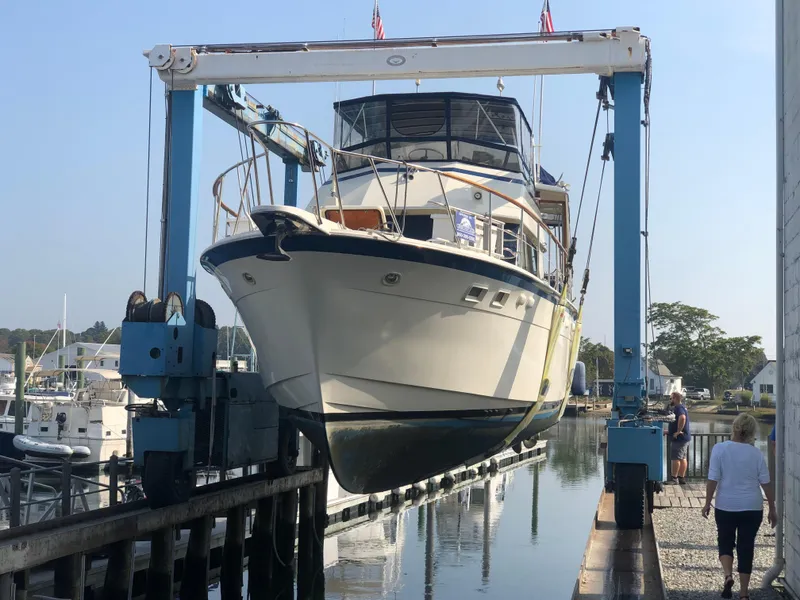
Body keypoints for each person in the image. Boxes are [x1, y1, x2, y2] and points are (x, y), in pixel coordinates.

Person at [701, 413, 777, 599]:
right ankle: (744, 594)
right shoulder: (756, 454)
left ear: (734, 427)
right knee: (746, 547)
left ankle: (728, 576)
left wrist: (707, 502)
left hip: (726, 505)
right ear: (752, 432)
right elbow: (766, 484)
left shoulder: (719, 449)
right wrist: (772, 508)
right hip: (752, 507)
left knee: (725, 541)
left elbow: (713, 479)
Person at [666, 391, 691, 485]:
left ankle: (674, 479)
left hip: (679, 438)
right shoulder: (683, 407)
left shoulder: (678, 408)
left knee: (675, 458)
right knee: (682, 458)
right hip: (685, 437)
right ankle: (681, 478)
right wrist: (669, 432)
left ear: (675, 399)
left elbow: (682, 418)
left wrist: (678, 431)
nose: (670, 400)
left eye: (671, 398)